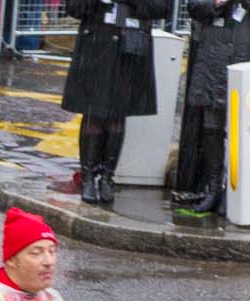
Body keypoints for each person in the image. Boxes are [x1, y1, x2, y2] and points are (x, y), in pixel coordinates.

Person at [171, 0, 250, 213]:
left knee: (243, 131)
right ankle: (214, 188)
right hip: (213, 59)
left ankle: (235, 190)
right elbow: (195, 8)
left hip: (248, 59)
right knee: (212, 127)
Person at [61, 0, 171, 206]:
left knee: (117, 116)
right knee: (93, 113)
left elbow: (162, 9)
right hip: (95, 43)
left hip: (129, 47)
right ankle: (88, 177)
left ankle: (107, 177)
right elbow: (74, 8)